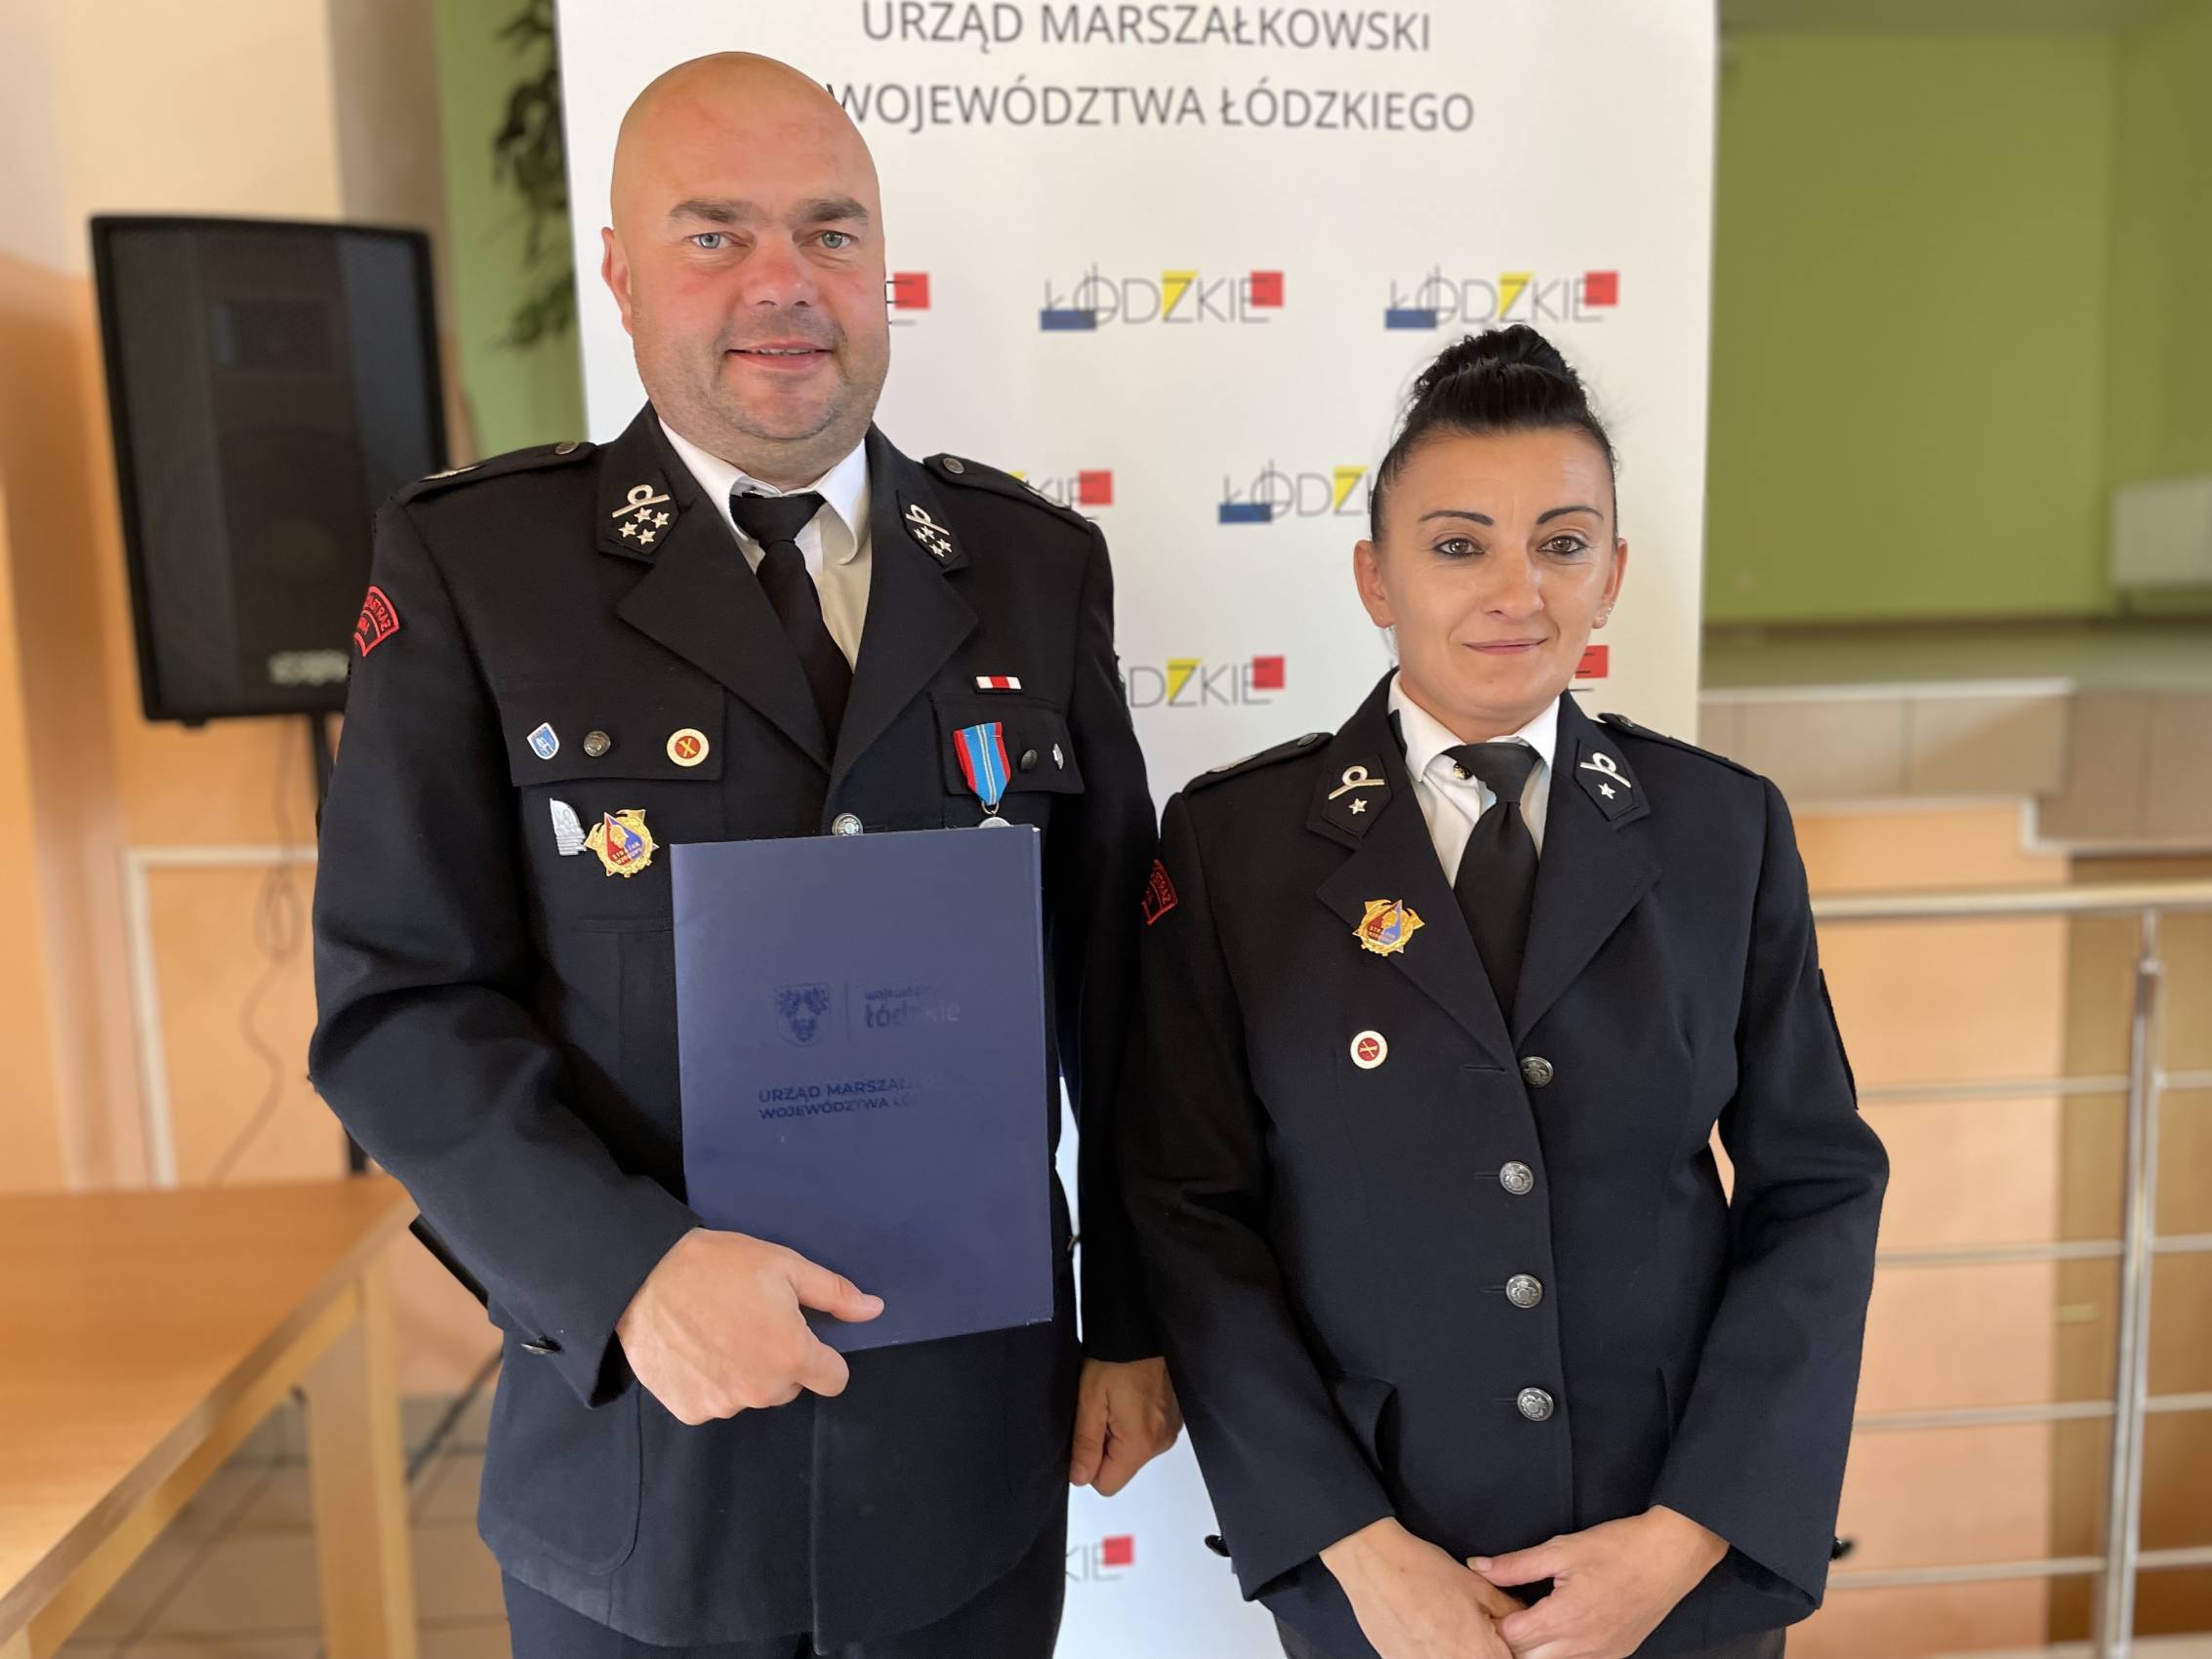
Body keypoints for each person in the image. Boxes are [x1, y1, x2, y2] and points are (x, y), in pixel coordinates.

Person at [309, 52, 1179, 1659]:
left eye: (829, 233)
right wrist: (626, 1273)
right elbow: (398, 1005)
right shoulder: (479, 567)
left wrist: (1132, 1317)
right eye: (714, 235)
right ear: (622, 276)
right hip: (643, 1471)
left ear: (881, 265)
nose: (784, 284)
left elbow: (1123, 992)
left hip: (963, 1462)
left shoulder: (1030, 567)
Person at [1121, 325, 1887, 1659]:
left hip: (1670, 1563)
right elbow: (1191, 1216)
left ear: (1613, 574)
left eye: (1561, 543)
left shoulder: (1723, 830)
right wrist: (1354, 1550)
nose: (1515, 591)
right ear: (1376, 576)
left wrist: (1689, 1534)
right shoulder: (1234, 849)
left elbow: (1814, 1188)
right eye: (1459, 545)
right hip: (1387, 1570)